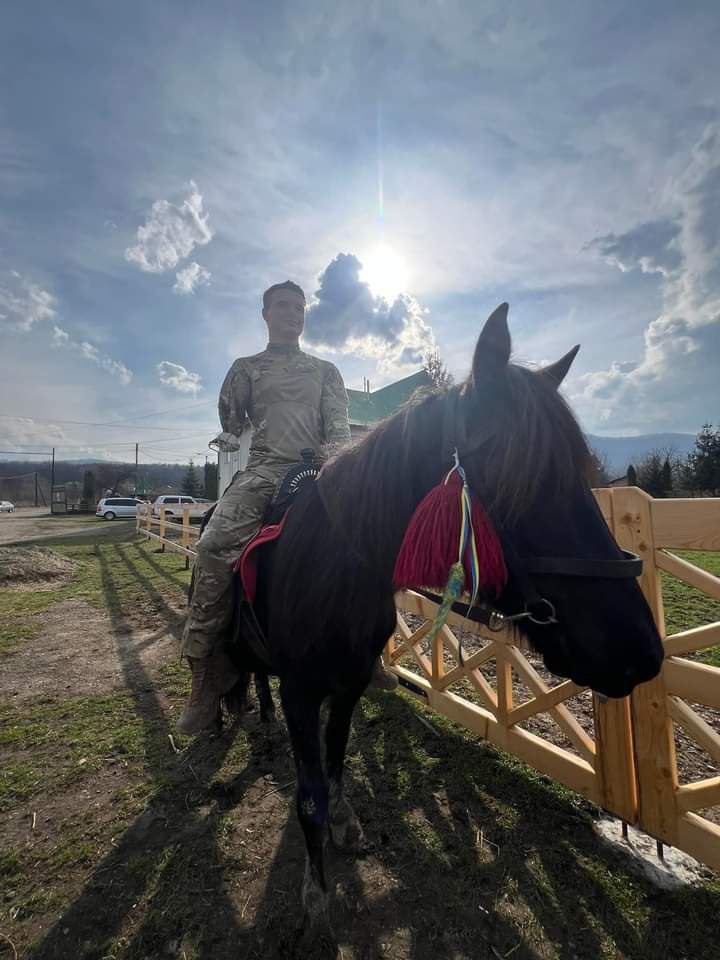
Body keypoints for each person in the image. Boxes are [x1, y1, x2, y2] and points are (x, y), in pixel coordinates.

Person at [178, 280, 396, 735]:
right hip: (263, 471)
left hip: (320, 473)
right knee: (215, 546)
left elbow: (337, 432)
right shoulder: (246, 369)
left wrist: (337, 472)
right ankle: (205, 672)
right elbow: (232, 424)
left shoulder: (325, 371)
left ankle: (368, 651)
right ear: (266, 314)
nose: (293, 313)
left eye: (299, 307)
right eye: (283, 305)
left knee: (373, 540)